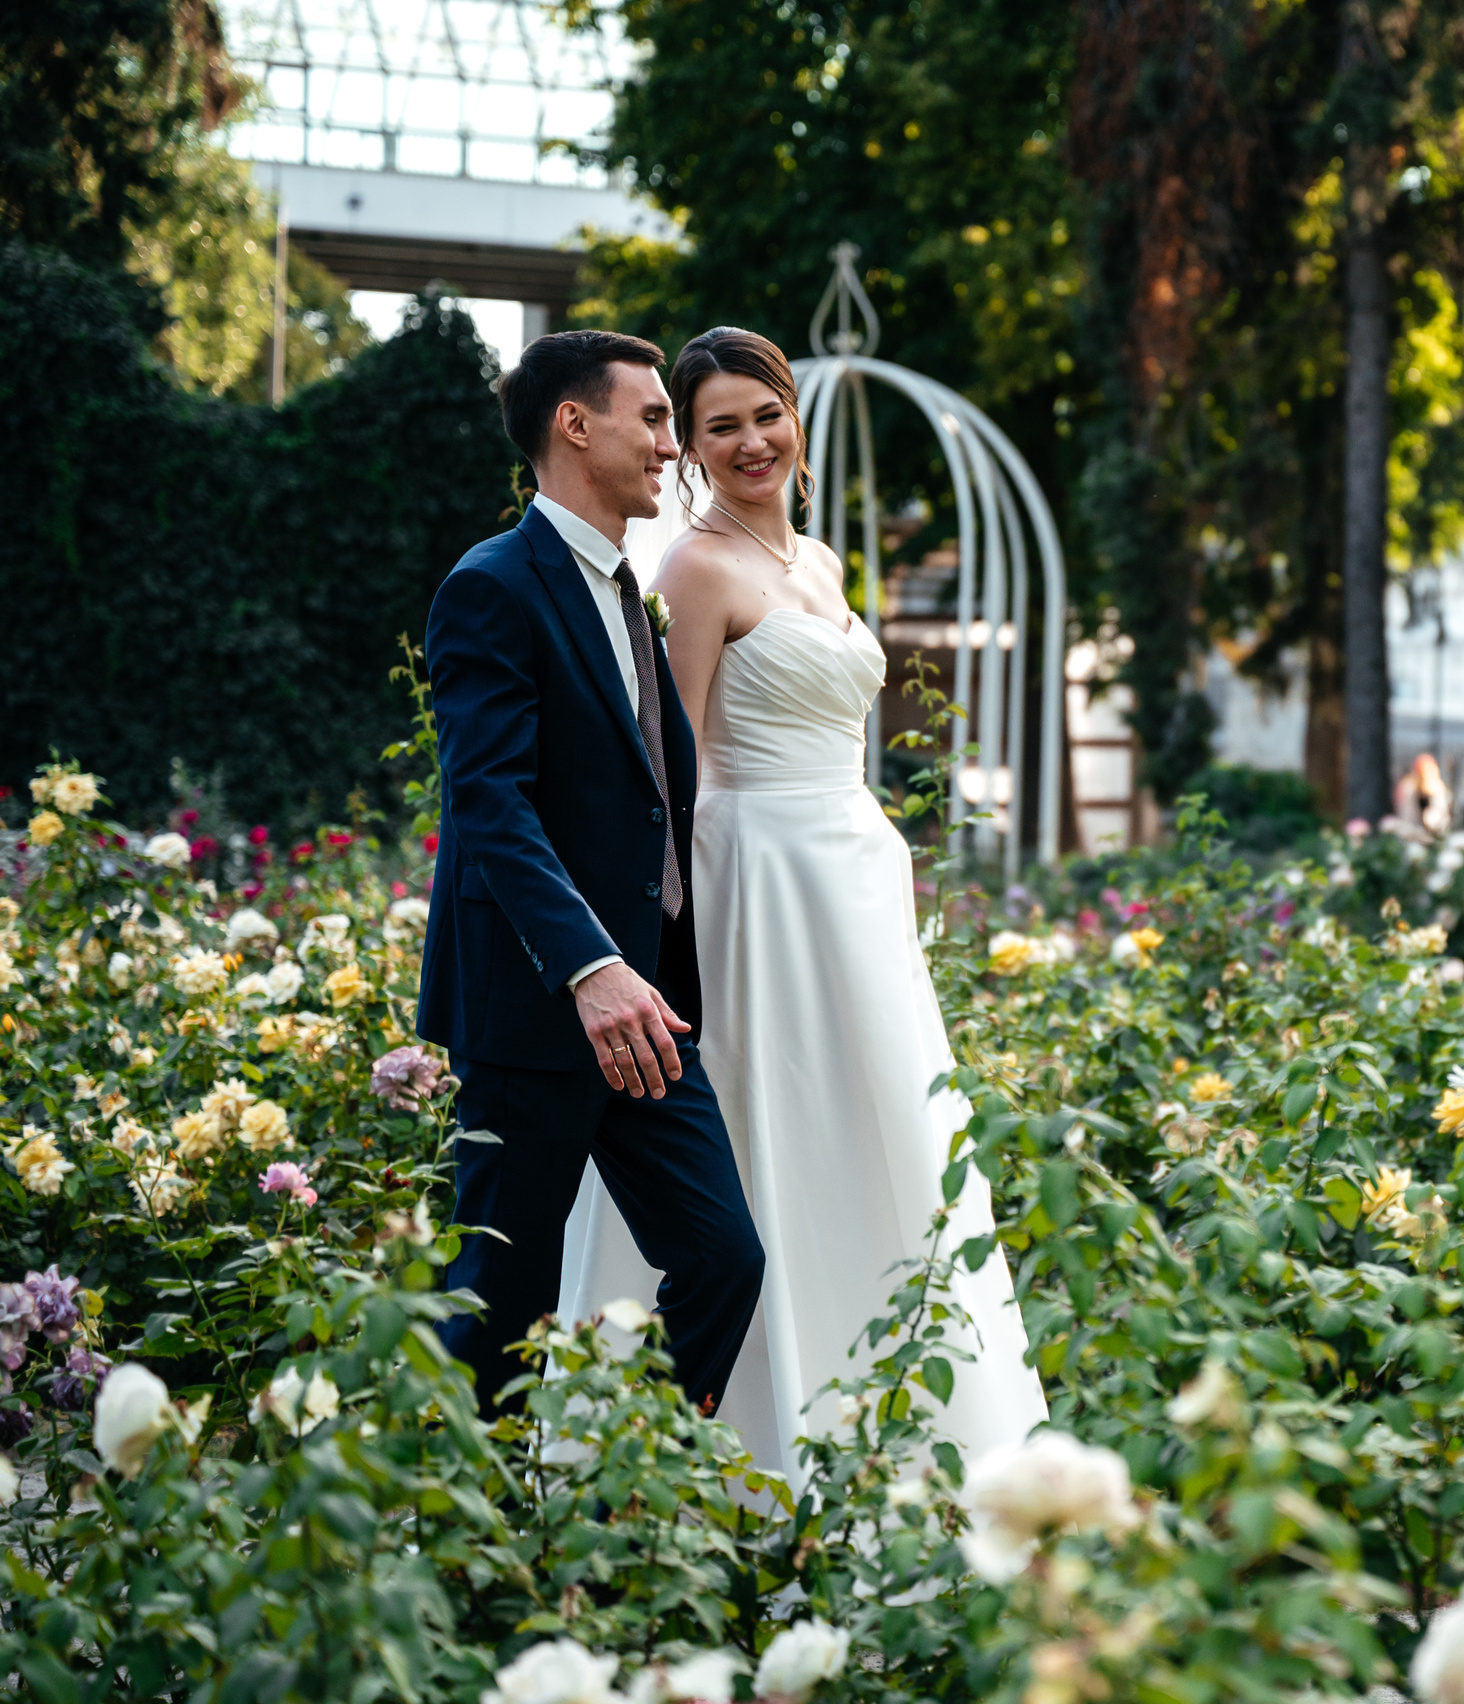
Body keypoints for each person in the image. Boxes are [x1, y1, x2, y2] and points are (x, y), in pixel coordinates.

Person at [557, 326, 1048, 1484]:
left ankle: (903, 1420)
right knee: (770, 1125)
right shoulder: (694, 571)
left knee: (880, 1130)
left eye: (764, 416)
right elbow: (663, 770)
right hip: (756, 889)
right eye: (718, 427)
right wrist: (654, 936)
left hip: (852, 881)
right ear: (689, 448)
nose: (750, 443)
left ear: (795, 417)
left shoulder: (820, 563)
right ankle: (744, 1437)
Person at [419, 329, 765, 1418]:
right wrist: (588, 967)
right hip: (536, 1012)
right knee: (499, 1307)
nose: (672, 444)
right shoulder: (491, 586)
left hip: (646, 1013)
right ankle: (465, 1516)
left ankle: (627, 1489)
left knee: (723, 1259)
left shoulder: (627, 590)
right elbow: (490, 804)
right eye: (654, 417)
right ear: (575, 424)